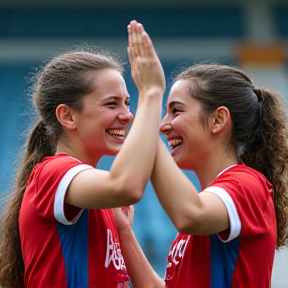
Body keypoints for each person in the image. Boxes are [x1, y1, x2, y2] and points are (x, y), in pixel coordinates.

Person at [0, 20, 165, 288]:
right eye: (111, 104)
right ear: (67, 116)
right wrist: (151, 93)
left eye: (127, 102)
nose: (127, 115)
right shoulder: (52, 173)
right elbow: (128, 186)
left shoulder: (100, 198)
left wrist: (123, 233)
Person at [114, 64, 288, 287]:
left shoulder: (247, 184)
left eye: (176, 111)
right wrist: (125, 234)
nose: (163, 126)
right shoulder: (204, 213)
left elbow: (189, 214)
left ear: (218, 120)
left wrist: (149, 104)